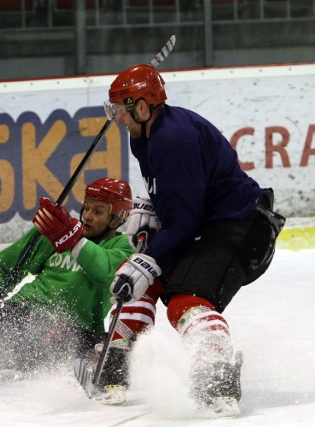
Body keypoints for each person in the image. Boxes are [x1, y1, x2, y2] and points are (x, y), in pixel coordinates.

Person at [100, 64, 285, 417]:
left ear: (142, 107)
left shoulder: (173, 138)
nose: (118, 119)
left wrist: (146, 259)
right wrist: (152, 211)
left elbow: (184, 222)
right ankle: (114, 360)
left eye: (121, 110)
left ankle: (218, 375)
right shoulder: (143, 134)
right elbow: (179, 205)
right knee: (147, 276)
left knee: (186, 298)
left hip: (242, 227)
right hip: (211, 223)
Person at [0, 177, 135, 382]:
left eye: (98, 211)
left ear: (117, 218)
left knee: (98, 355)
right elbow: (11, 264)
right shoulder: (58, 231)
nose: (87, 216)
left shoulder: (123, 248)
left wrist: (72, 238)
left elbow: (106, 270)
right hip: (23, 312)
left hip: (75, 331)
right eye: (86, 208)